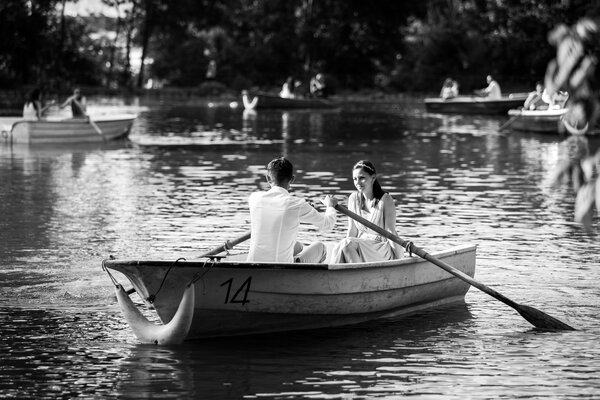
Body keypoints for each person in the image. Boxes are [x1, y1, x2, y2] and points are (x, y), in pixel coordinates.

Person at [247, 157, 338, 263]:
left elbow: (279, 208)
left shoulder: (254, 198)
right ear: (292, 179)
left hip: (252, 262)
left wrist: (303, 208)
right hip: (279, 268)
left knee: (298, 246)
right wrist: (330, 206)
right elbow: (327, 224)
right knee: (321, 247)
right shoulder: (297, 204)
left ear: (268, 178)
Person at [330, 160, 404, 264]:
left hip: (381, 248)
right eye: (355, 179)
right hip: (362, 244)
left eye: (362, 178)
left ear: (373, 178)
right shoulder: (353, 199)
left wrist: (400, 259)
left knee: (347, 243)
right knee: (342, 245)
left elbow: (390, 232)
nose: (357, 182)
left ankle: (357, 274)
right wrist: (343, 249)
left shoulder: (385, 200)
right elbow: (352, 230)